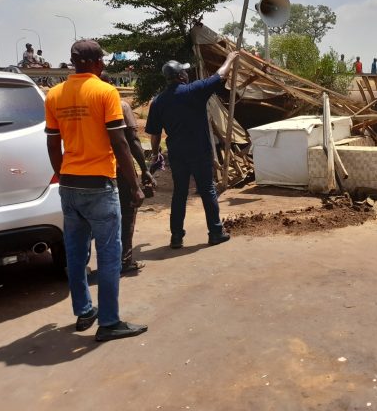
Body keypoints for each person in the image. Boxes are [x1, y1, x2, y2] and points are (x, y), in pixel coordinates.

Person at [44, 39, 147, 342]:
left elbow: (52, 142)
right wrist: (136, 184)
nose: (104, 65)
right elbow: (120, 141)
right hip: (100, 185)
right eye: (102, 60)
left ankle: (84, 311)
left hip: (70, 185)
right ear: (95, 63)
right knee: (109, 254)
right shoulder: (105, 92)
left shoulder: (54, 94)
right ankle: (110, 322)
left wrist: (63, 175)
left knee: (76, 254)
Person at [145, 51, 240, 249]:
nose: (187, 74)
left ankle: (176, 237)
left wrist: (155, 154)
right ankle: (215, 232)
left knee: (179, 193)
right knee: (207, 190)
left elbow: (154, 134)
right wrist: (230, 58)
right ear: (180, 76)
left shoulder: (159, 102)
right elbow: (220, 75)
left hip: (177, 154)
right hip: (199, 151)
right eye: (185, 72)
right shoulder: (193, 91)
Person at [100, 72, 156, 274]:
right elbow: (132, 141)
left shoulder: (82, 104)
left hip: (90, 172)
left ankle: (105, 261)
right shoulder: (119, 104)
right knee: (127, 212)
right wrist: (145, 169)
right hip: (119, 169)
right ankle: (125, 261)